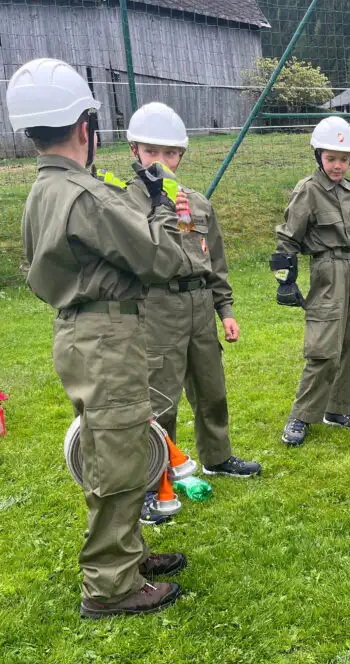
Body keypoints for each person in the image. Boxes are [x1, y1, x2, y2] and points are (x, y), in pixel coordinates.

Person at [8, 58, 188, 617]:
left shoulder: (43, 190)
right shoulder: (86, 194)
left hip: (79, 331)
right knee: (117, 455)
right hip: (107, 334)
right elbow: (161, 259)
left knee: (117, 443)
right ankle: (111, 585)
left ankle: (129, 555)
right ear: (85, 126)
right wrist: (162, 208)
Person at [123, 102, 261, 500]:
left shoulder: (196, 203)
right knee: (161, 398)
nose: (161, 161)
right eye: (151, 152)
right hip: (158, 306)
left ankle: (217, 456)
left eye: (170, 153)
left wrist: (225, 310)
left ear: (181, 154)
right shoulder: (125, 202)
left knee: (211, 389)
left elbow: (214, 261)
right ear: (134, 151)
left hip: (200, 306)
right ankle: (157, 474)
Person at [271, 116, 350, 447]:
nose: (337, 165)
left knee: (349, 346)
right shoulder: (308, 190)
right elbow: (288, 238)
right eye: (331, 158)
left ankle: (339, 410)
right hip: (326, 269)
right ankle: (300, 416)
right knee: (323, 349)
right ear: (318, 156)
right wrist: (285, 282)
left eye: (344, 159)